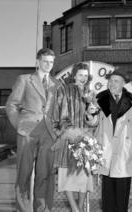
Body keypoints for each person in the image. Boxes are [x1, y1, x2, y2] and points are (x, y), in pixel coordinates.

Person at [5, 48, 62, 212]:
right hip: (27, 132)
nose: (49, 65)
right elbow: (11, 105)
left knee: (45, 174)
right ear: (37, 62)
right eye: (45, 61)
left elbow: (59, 110)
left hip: (49, 134)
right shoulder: (24, 79)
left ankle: (42, 209)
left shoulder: (57, 84)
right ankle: (22, 209)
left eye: (51, 62)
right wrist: (20, 126)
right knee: (24, 173)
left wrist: (57, 131)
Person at [51, 62, 98, 212]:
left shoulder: (91, 94)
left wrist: (91, 114)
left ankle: (80, 208)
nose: (83, 78)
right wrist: (71, 133)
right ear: (74, 75)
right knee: (67, 177)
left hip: (85, 140)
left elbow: (94, 121)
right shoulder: (64, 90)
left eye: (85, 75)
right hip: (68, 138)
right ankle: (75, 209)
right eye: (80, 75)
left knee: (84, 177)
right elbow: (61, 115)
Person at [95, 69, 132, 212]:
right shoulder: (100, 99)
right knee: (107, 196)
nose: (112, 83)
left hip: (124, 151)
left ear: (123, 83)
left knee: (122, 196)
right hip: (107, 150)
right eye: (110, 81)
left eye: (116, 81)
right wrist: (90, 116)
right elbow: (93, 122)